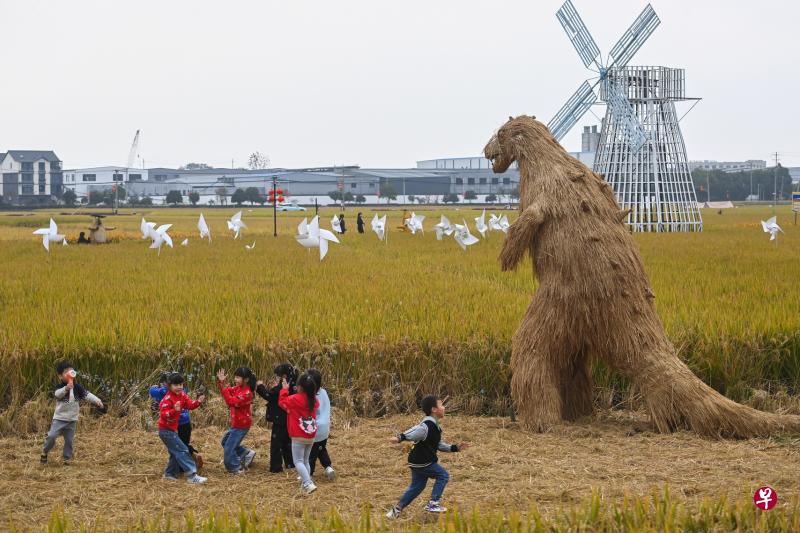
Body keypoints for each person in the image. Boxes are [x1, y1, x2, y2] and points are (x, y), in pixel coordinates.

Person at [385, 395, 469, 518]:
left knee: (416, 487)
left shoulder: (435, 426)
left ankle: (395, 511)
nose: (444, 407)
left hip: (417, 462)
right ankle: (433, 503)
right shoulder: (427, 425)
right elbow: (415, 431)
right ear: (434, 409)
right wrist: (400, 437)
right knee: (443, 475)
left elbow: (438, 444)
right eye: (441, 405)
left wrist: (454, 448)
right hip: (423, 462)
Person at [41, 361, 105, 465]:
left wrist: (97, 400)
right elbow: (57, 395)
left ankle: (67, 459)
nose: (70, 373)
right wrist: (66, 388)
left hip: (72, 420)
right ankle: (44, 452)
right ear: (60, 376)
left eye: (71, 370)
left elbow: (87, 394)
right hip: (59, 419)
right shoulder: (60, 387)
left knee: (69, 441)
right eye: (66, 372)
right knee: (51, 436)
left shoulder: (77, 387)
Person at [157, 373, 207, 484]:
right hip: (165, 431)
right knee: (183, 450)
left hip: (171, 430)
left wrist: (198, 401)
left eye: (181, 384)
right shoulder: (167, 399)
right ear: (169, 386)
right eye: (176, 385)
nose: (179, 387)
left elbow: (190, 405)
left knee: (175, 451)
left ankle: (169, 474)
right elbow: (164, 414)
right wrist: (174, 410)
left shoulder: (182, 395)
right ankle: (192, 475)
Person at [278, 372, 320, 494]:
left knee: (298, 461)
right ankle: (305, 480)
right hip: (310, 435)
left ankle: (308, 483)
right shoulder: (314, 400)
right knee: (305, 460)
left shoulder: (296, 399)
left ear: (300, 387)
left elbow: (282, 402)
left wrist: (284, 390)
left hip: (298, 435)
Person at [255, 363, 296, 472]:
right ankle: (291, 464)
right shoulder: (294, 386)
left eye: (278, 376)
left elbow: (268, 395)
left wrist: (260, 386)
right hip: (288, 420)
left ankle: (276, 467)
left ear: (284, 377)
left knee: (276, 444)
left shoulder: (280, 389)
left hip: (279, 420)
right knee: (287, 443)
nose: (276, 378)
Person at [217, 367, 256, 474]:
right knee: (225, 442)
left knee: (229, 448)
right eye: (235, 377)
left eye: (238, 377)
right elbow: (226, 391)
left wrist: (225, 389)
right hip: (236, 424)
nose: (235, 379)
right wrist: (222, 382)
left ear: (246, 379)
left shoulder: (247, 394)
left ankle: (236, 467)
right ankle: (246, 453)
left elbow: (230, 401)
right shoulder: (238, 388)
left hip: (241, 425)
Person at [307, 368, 335, 480]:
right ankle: (328, 467)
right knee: (321, 449)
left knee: (311, 453)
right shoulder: (323, 392)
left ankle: (308, 474)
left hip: (315, 429)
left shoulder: (310, 397)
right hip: (325, 428)